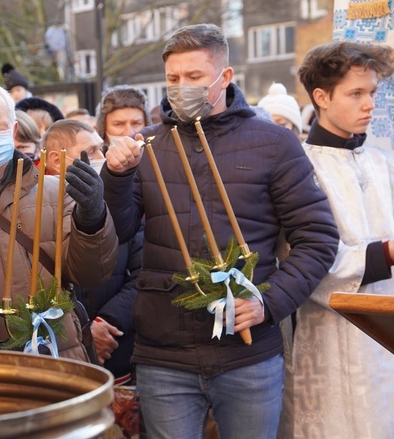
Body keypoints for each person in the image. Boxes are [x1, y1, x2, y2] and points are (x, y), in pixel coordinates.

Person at [100, 24, 339, 438]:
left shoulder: (273, 143)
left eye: (194, 77)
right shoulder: (148, 146)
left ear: (224, 78)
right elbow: (118, 233)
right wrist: (116, 176)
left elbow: (317, 237)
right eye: (173, 79)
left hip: (248, 353)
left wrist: (269, 302)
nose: (181, 87)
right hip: (164, 354)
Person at [0, 80, 119, 362]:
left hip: (61, 356)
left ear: (12, 131)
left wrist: (92, 221)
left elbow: (93, 274)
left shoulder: (54, 191)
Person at [285, 40, 394, 438]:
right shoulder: (298, 166)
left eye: (373, 93)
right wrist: (387, 253)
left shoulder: (383, 163)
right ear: (321, 97)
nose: (370, 105)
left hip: (387, 333)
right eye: (356, 93)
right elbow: (303, 259)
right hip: (329, 336)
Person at [44, 118, 142, 384]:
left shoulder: (116, 202)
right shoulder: (35, 207)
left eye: (102, 147)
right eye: (92, 150)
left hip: (117, 351)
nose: (103, 156)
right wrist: (84, 333)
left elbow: (141, 273)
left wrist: (105, 323)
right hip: (59, 356)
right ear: (57, 160)